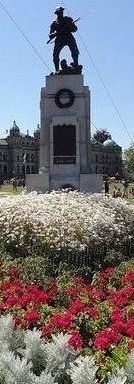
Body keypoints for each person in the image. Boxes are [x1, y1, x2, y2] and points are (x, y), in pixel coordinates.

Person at [49, 7, 79, 72]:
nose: (61, 13)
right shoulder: (54, 23)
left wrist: (70, 26)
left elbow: (75, 29)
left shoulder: (68, 19)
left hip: (69, 37)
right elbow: (50, 35)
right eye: (59, 12)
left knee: (74, 51)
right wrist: (55, 33)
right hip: (60, 39)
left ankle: (76, 66)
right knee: (55, 54)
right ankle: (57, 69)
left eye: (62, 12)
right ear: (57, 14)